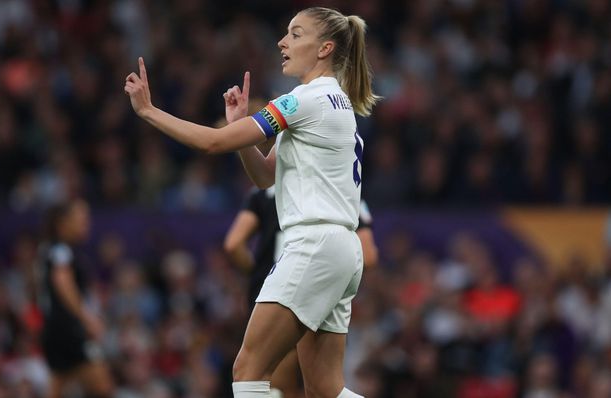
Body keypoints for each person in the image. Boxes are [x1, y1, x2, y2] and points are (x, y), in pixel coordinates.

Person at [124, 6, 378, 397]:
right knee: (326, 389)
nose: (282, 42)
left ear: (325, 48)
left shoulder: (302, 101)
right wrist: (237, 125)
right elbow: (265, 177)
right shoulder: (337, 106)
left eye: (295, 34)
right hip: (339, 249)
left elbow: (210, 143)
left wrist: (148, 111)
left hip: (313, 245)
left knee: (248, 371)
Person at [224, 187, 378, 398]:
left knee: (261, 380)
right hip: (325, 284)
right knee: (323, 390)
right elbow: (368, 254)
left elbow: (234, 244)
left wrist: (260, 275)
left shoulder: (264, 194)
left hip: (283, 294)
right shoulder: (343, 192)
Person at [38, 199, 114, 398]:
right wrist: (87, 318)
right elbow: (62, 282)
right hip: (68, 331)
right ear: (63, 223)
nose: (87, 224)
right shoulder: (60, 250)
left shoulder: (56, 249)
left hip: (55, 331)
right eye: (82, 219)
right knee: (103, 386)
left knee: (58, 387)